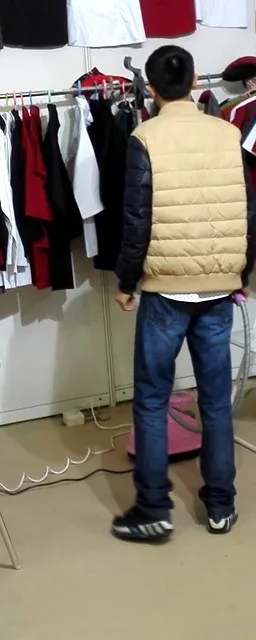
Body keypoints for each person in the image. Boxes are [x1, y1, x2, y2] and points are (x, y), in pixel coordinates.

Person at [112, 44, 256, 542]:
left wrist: (126, 283)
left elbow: (136, 219)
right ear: (195, 82)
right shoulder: (228, 132)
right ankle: (220, 507)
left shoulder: (144, 137)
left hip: (165, 290)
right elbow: (248, 209)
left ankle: (153, 509)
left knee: (152, 401)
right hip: (218, 286)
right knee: (215, 402)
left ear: (151, 89)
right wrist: (241, 273)